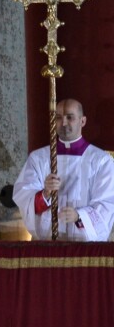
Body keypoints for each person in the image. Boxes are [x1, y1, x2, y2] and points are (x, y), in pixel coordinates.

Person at [13, 98, 114, 241]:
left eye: (70, 117)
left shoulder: (101, 160)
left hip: (85, 246)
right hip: (47, 243)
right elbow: (23, 196)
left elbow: (107, 203)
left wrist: (79, 216)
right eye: (58, 117)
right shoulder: (39, 158)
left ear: (82, 121)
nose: (64, 123)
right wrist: (45, 194)